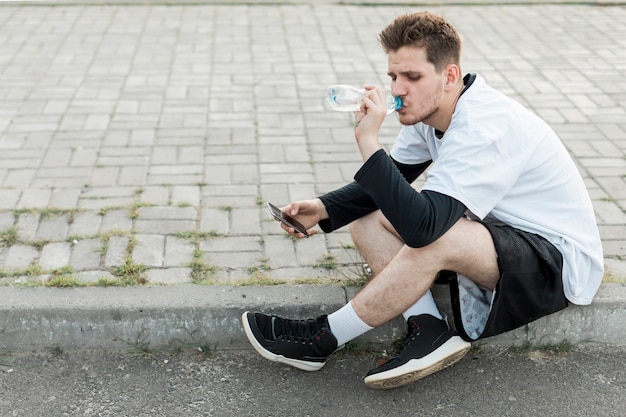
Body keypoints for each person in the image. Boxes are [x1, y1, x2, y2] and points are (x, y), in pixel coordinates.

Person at [241, 11, 604, 389]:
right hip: (500, 239)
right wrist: (325, 207)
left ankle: (320, 339)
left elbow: (424, 229)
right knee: (369, 217)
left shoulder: (485, 127)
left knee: (435, 235)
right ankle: (429, 329)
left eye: (412, 77)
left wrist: (368, 142)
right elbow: (392, 180)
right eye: (393, 77)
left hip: (557, 264)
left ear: (449, 76)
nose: (398, 90)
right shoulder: (431, 112)